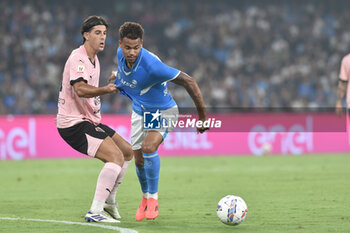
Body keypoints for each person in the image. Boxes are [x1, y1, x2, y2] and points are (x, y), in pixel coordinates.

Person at [110, 22, 209, 221]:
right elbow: (129, 79)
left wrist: (203, 118)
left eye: (136, 48)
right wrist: (116, 77)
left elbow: (190, 81)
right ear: (120, 44)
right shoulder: (120, 56)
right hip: (139, 111)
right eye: (128, 47)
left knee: (148, 148)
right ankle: (145, 198)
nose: (131, 52)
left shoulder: (153, 66)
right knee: (138, 160)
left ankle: (153, 199)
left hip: (163, 110)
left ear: (142, 44)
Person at [56, 16, 133, 223]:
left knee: (126, 151)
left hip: (88, 121)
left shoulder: (94, 59)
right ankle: (95, 211)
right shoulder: (78, 58)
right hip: (73, 123)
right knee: (115, 157)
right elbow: (80, 89)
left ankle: (109, 201)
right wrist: (105, 90)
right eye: (97, 33)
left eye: (105, 33)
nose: (102, 37)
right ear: (86, 35)